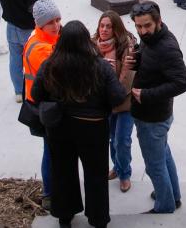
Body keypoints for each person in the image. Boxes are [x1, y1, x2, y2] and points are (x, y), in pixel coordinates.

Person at [31, 20, 127, 228]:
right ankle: (98, 218)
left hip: (59, 128)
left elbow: (35, 94)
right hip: (93, 128)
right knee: (96, 174)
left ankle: (65, 216)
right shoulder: (100, 66)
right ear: (86, 41)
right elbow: (118, 97)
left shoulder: (50, 64)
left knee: (63, 171)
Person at [124, 1, 186, 214]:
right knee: (163, 154)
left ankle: (164, 205)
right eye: (138, 27)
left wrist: (146, 94)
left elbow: (182, 82)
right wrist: (137, 61)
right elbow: (154, 65)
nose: (143, 31)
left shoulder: (167, 48)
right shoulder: (150, 40)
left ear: (158, 21)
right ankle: (173, 195)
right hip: (154, 114)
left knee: (154, 164)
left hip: (153, 117)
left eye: (147, 26)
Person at [23, 0, 63, 214]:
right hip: (45, 109)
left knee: (52, 150)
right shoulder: (40, 49)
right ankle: (49, 194)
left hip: (46, 106)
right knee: (50, 152)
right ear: (40, 24)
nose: (56, 26)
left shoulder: (46, 39)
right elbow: (61, 76)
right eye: (51, 22)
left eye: (58, 20)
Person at [92, 11, 137, 194]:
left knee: (122, 140)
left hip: (124, 101)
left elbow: (127, 78)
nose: (104, 30)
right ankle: (117, 168)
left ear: (116, 28)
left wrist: (112, 88)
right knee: (112, 139)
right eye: (102, 25)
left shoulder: (126, 47)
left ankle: (124, 174)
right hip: (105, 103)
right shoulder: (93, 46)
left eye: (108, 26)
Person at [0, 0, 41, 102]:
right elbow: (37, 8)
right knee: (32, 60)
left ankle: (18, 92)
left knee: (15, 60)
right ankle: (33, 90)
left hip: (11, 26)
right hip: (27, 30)